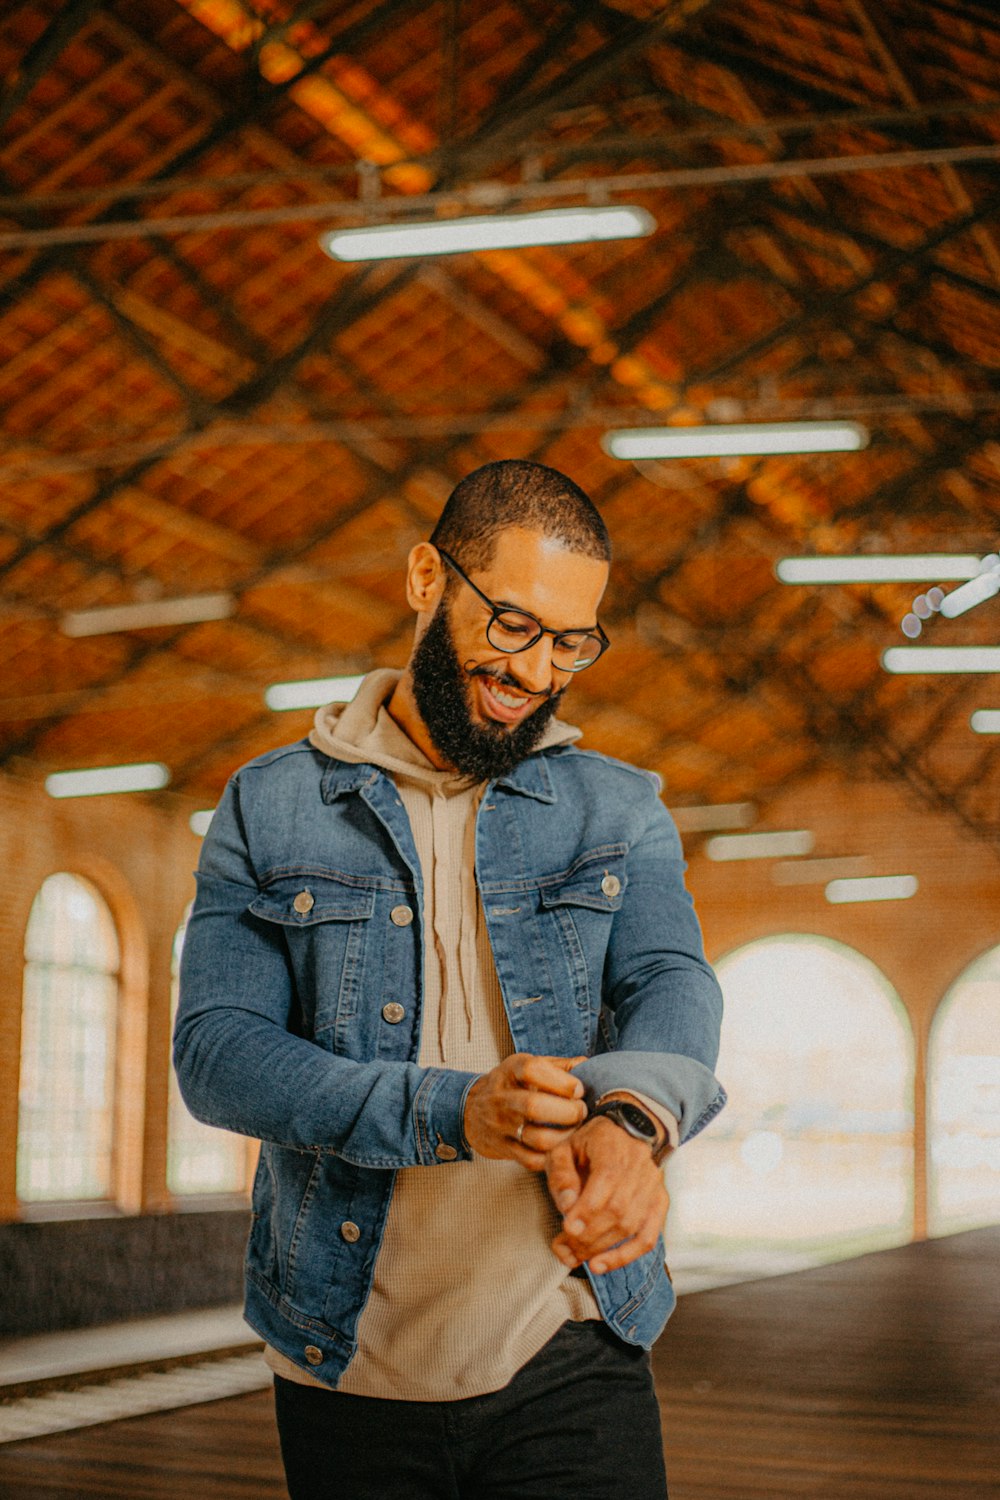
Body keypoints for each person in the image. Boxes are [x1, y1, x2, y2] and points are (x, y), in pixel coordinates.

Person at [174, 459, 725, 1500]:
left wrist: (635, 1119)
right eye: (513, 624)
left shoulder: (620, 808)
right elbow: (217, 1055)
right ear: (428, 577)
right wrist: (449, 1112)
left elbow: (671, 980)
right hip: (341, 1358)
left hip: (570, 1348)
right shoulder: (268, 806)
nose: (538, 671)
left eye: (573, 642)